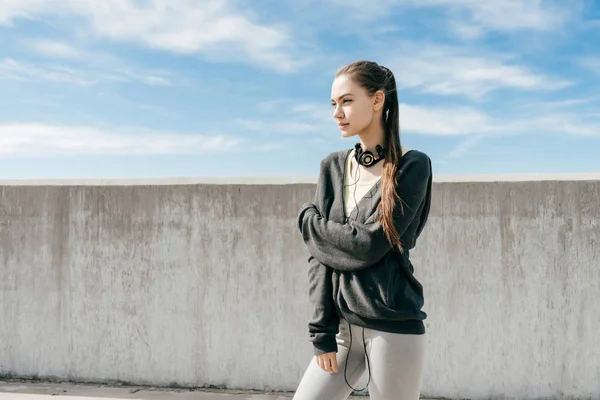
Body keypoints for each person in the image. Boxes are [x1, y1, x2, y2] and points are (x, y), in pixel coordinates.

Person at [293, 60, 433, 400]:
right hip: (342, 331)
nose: (337, 113)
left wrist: (309, 223)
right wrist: (321, 332)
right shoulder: (332, 167)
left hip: (392, 327)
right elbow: (320, 258)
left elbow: (369, 244)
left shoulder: (412, 167)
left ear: (377, 100)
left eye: (347, 101)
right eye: (333, 104)